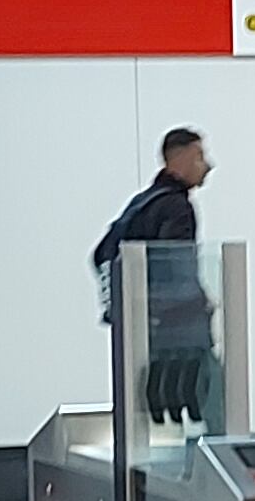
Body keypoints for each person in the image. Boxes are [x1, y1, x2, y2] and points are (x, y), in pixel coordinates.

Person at [91, 128, 216, 426]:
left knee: (156, 406)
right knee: (212, 401)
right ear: (180, 159)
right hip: (182, 335)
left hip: (149, 335)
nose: (207, 165)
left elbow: (101, 255)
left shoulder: (141, 204)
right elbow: (178, 269)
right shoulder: (177, 207)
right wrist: (202, 304)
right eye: (199, 156)